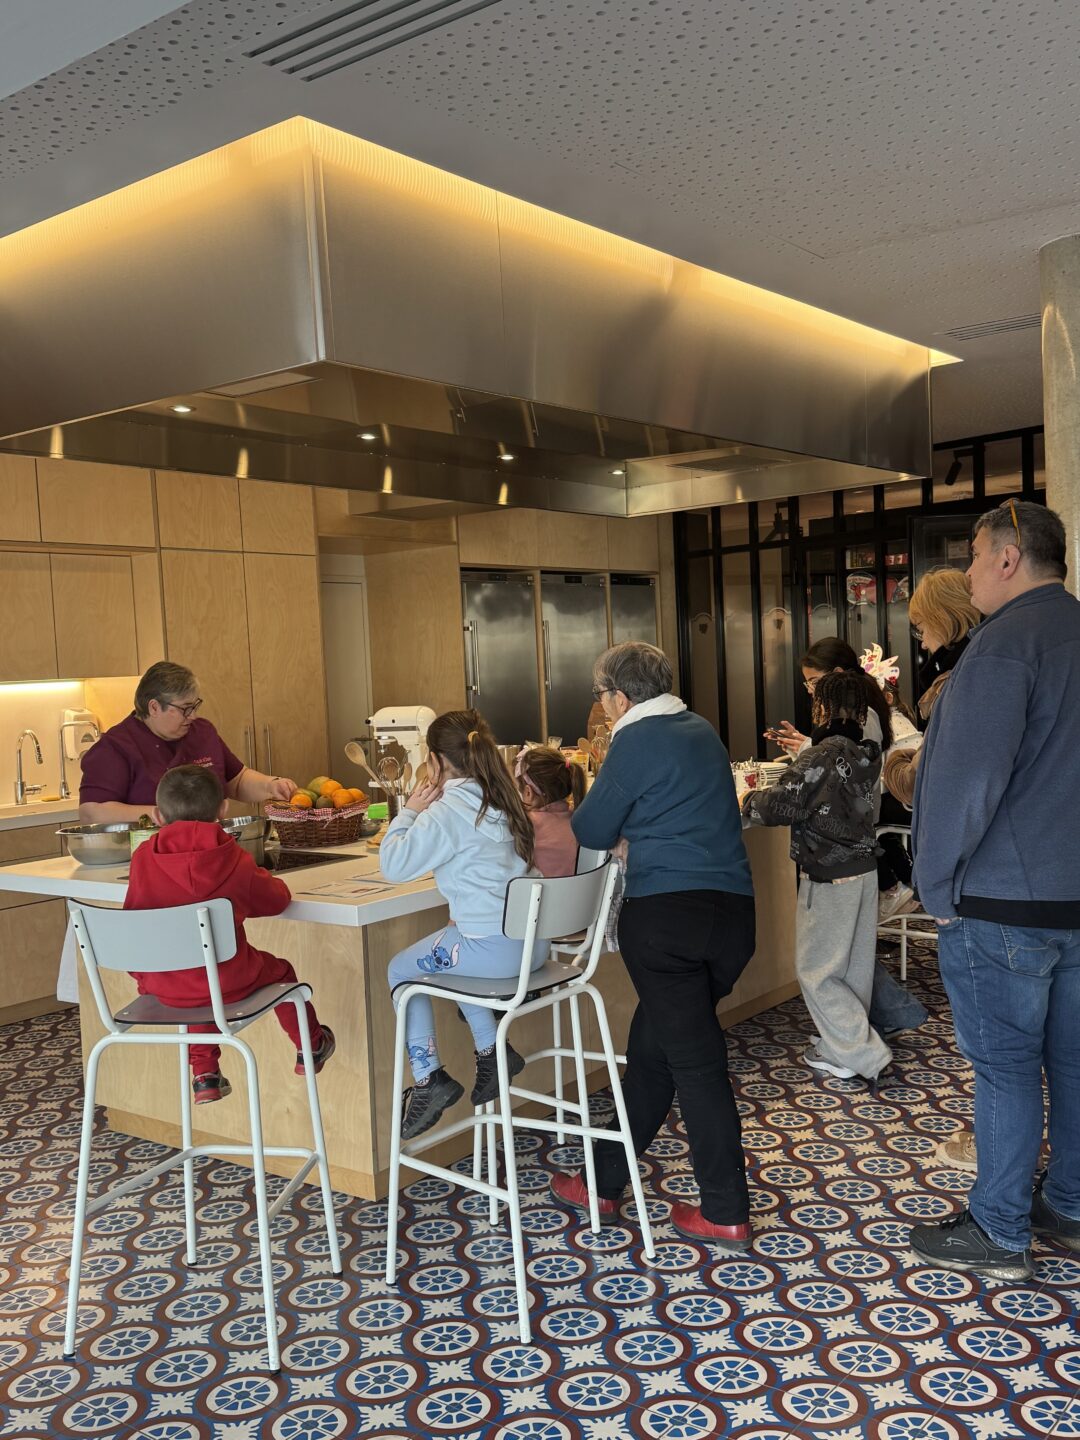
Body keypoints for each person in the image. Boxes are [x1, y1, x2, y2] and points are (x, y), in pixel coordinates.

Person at [910, 500, 1080, 1279]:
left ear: (1008, 557)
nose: (969, 570)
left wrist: (936, 885)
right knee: (1071, 1061)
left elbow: (965, 782)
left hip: (1005, 900)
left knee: (1007, 1068)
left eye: (975, 555)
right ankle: (1068, 1205)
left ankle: (1000, 1228)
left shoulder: (1005, 646)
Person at [551, 642, 756, 1253]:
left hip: (668, 922)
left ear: (619, 697)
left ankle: (725, 1211)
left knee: (696, 1064)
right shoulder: (702, 730)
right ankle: (600, 1182)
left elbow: (590, 827)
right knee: (653, 1052)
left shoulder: (636, 738)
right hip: (731, 919)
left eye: (601, 697)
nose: (602, 707)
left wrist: (624, 833)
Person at [123, 765, 335, 1104]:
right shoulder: (232, 858)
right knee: (276, 973)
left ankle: (205, 1074)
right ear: (223, 810)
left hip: (160, 985)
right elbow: (276, 901)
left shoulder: (142, 859)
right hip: (227, 982)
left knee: (199, 974)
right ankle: (311, 1045)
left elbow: (132, 921)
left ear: (158, 816)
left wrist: (144, 976)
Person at [380, 710, 546, 1141]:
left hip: (493, 956)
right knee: (453, 951)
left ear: (435, 762)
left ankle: (428, 1078)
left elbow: (394, 864)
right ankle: (492, 1053)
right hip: (534, 949)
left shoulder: (446, 812)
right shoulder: (503, 798)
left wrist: (410, 811)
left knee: (402, 970)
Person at [767, 636, 926, 1037]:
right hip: (853, 839)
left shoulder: (858, 717)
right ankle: (881, 1020)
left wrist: (808, 752)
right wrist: (807, 746)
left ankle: (860, 1041)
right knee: (848, 951)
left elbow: (841, 769)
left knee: (829, 956)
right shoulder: (861, 714)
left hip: (839, 844)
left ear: (836, 677)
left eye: (813, 682)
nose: (810, 691)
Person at [745, 671, 892, 1088]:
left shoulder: (820, 755)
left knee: (816, 971)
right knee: (853, 969)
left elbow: (780, 805)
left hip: (829, 874)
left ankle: (862, 1054)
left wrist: (746, 799)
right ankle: (839, 1045)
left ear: (822, 708)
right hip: (864, 870)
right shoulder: (868, 751)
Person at [80, 661, 296, 821]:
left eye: (195, 706)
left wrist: (271, 785)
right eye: (185, 708)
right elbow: (92, 812)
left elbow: (237, 781)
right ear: (154, 707)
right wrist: (161, 815)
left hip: (207, 846)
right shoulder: (115, 747)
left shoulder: (202, 732)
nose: (193, 716)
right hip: (148, 854)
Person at [882, 567, 980, 811]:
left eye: (921, 629)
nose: (923, 643)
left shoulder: (956, 680)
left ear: (941, 620)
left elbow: (921, 780)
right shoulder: (976, 665)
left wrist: (895, 763)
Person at [515, 745, 585, 877]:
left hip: (536, 890)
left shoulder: (524, 825)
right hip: (580, 890)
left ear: (528, 792)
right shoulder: (580, 821)